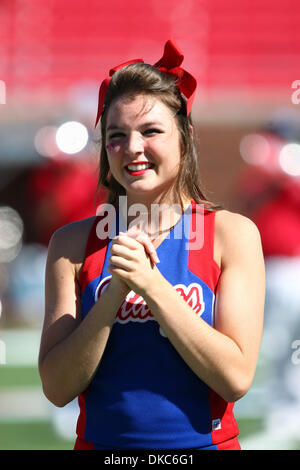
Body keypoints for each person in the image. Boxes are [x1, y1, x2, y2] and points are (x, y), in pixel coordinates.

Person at [38, 40, 265, 450]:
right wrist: (113, 297)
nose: (133, 148)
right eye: (116, 135)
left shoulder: (232, 234)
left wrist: (152, 285)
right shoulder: (71, 244)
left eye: (152, 131)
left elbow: (235, 378)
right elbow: (57, 388)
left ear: (185, 136)